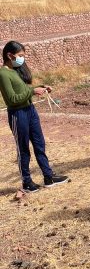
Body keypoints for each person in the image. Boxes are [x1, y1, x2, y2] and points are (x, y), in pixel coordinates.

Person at [0, 41, 69, 193]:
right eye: (20, 56)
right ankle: (26, 182)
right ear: (9, 55)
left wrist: (42, 88)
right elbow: (12, 99)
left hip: (30, 111)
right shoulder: (3, 73)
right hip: (18, 114)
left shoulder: (16, 70)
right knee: (23, 149)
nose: (22, 59)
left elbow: (25, 89)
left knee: (39, 144)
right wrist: (32, 92)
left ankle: (48, 176)